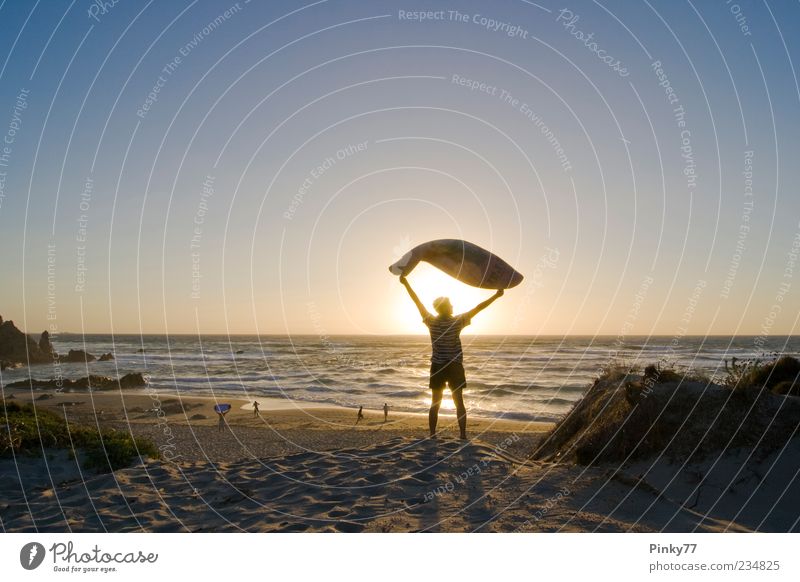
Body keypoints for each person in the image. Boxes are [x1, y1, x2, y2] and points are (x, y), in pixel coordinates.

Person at [400, 276, 504, 439]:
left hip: (438, 366)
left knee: (436, 402)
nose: (453, 306)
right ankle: (462, 435)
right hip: (454, 366)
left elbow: (417, 301)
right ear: (446, 308)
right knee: (459, 402)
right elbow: (479, 307)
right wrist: (496, 296)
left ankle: (433, 435)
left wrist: (406, 283)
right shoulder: (457, 321)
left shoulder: (431, 321)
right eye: (450, 304)